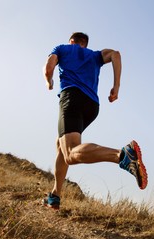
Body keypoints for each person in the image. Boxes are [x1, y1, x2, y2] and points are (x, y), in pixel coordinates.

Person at [42, 32, 147, 210]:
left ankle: (122, 155)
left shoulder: (63, 48)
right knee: (61, 143)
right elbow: (116, 55)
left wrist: (49, 81)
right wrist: (116, 87)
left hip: (71, 97)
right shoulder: (95, 55)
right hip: (92, 105)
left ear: (72, 41)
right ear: (85, 43)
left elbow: (48, 68)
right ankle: (55, 195)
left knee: (70, 153)